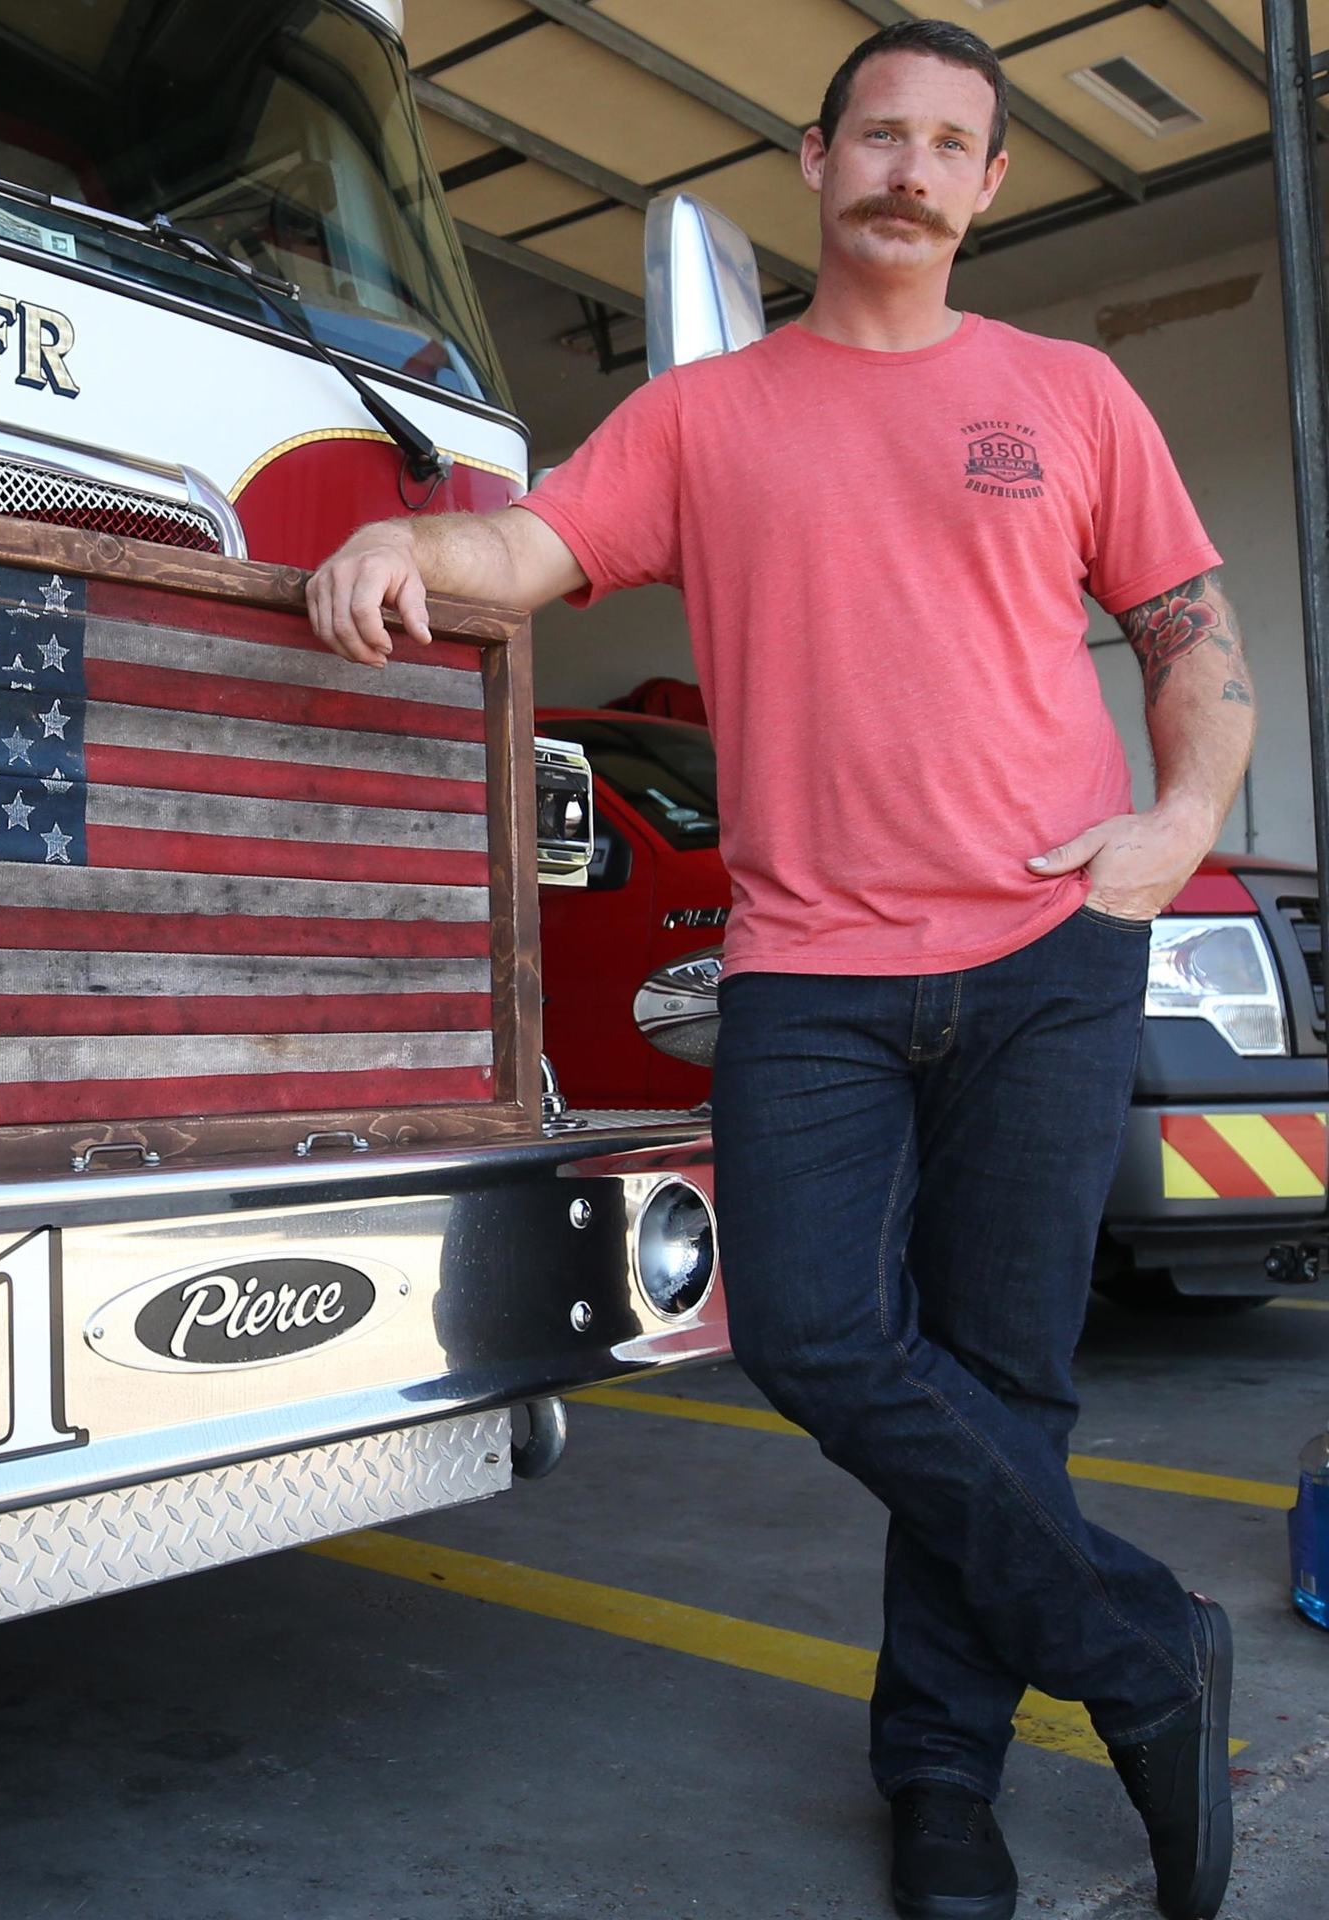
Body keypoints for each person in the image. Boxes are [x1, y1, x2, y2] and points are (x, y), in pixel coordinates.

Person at [306, 20, 1252, 1920]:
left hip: (1050, 940)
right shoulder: (707, 416)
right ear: (817, 164)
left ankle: (941, 1782)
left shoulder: (1068, 395)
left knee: (1003, 1379)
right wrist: (405, 537)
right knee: (818, 1339)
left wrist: (1173, 822)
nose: (910, 168)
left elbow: (1189, 637)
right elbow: (536, 542)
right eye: (877, 136)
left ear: (988, 186)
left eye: (950, 145)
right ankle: (1146, 1648)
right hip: (811, 964)